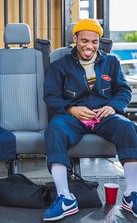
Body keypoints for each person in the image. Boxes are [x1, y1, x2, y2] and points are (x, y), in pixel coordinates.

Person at [43, 18, 137, 221]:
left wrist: (112, 107)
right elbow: (51, 96)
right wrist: (71, 108)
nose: (89, 46)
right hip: (73, 117)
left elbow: (123, 90)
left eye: (94, 41)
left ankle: (131, 194)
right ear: (75, 39)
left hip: (103, 115)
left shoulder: (111, 61)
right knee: (54, 129)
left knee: (128, 127)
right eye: (84, 40)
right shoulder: (60, 65)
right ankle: (65, 198)